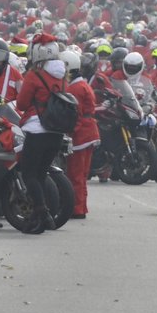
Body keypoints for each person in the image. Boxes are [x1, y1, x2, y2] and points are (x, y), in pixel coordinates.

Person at [12, 36, 67, 234]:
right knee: (41, 174)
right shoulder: (62, 75)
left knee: (29, 174)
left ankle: (42, 212)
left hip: (37, 128)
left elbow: (21, 103)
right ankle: (41, 215)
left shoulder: (35, 75)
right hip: (56, 131)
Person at [61, 49, 99, 220]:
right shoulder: (83, 85)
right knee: (82, 174)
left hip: (81, 134)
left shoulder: (75, 88)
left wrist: (69, 134)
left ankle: (77, 209)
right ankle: (81, 206)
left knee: (75, 174)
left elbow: (74, 114)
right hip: (89, 132)